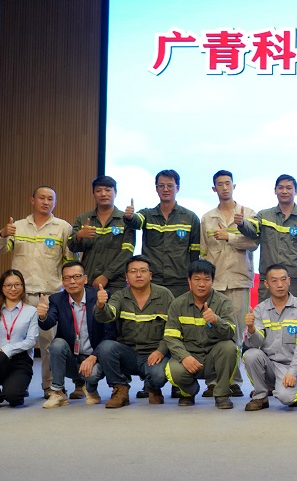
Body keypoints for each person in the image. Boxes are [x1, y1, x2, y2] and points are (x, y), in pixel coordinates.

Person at [0, 185, 75, 396]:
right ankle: (20, 384)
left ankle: (51, 386)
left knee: (49, 345)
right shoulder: (17, 226)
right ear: (32, 200)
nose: (46, 202)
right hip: (21, 297)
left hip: (49, 296)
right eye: (41, 198)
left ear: (55, 203)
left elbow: (70, 261)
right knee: (20, 343)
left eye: (50, 199)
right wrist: (3, 233)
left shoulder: (63, 227)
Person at [200, 169, 257, 397]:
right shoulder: (207, 218)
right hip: (215, 283)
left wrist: (230, 237)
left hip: (239, 280)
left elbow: (254, 243)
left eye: (228, 183)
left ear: (234, 186)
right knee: (212, 332)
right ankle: (213, 381)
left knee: (236, 332)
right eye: (220, 184)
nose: (224, 187)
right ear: (214, 188)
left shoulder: (248, 213)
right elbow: (204, 252)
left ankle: (234, 381)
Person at [93, 255, 174, 408]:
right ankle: (120, 390)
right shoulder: (119, 296)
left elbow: (173, 328)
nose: (138, 275)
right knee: (105, 348)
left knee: (157, 375)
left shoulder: (164, 295)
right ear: (126, 276)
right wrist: (101, 305)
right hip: (128, 353)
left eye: (143, 271)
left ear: (150, 275)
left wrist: (161, 351)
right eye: (133, 271)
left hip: (153, 353)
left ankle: (153, 388)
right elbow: (107, 316)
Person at [38, 261, 114, 408]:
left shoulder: (99, 297)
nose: (72, 281)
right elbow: (48, 323)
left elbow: (111, 333)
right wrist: (43, 316)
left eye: (76, 277)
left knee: (93, 374)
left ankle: (91, 389)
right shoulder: (57, 299)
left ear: (85, 279)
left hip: (94, 358)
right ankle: (58, 392)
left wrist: (93, 357)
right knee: (57, 344)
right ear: (62, 281)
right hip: (72, 359)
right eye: (67, 278)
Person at [163, 260, 239, 409]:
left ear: (213, 281)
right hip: (189, 356)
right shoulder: (178, 304)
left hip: (213, 357)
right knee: (173, 370)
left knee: (229, 348)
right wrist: (184, 357)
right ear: (189, 281)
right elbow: (171, 337)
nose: (202, 284)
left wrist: (216, 321)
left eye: (206, 279)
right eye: (197, 279)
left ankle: (222, 394)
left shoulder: (224, 302)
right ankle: (188, 392)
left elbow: (230, 332)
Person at [242, 264, 297, 411]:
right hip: (269, 364)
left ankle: (295, 386)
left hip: (289, 366)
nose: (279, 284)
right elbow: (255, 344)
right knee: (250, 354)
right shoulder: (260, 309)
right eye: (274, 280)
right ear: (266, 284)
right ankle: (260, 396)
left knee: (287, 398)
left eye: (283, 279)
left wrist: (293, 372)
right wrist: (251, 328)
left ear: (289, 281)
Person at [123, 169, 201, 299]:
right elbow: (137, 221)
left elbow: (195, 252)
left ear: (178, 188)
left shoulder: (190, 217)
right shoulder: (147, 214)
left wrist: (193, 277)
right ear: (156, 189)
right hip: (152, 280)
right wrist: (130, 217)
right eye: (161, 186)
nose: (165, 189)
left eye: (170, 186)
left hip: (180, 281)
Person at [238, 174, 297, 301]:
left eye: (289, 188)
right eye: (281, 188)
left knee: (296, 313)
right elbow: (252, 229)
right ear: (275, 190)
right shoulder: (264, 215)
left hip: (294, 280)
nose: (284, 191)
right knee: (265, 313)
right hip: (268, 279)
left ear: (296, 191)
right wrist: (242, 223)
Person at [0, 270, 39, 408]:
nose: (13, 289)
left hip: (20, 360)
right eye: (8, 285)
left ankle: (15, 387)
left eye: (17, 285)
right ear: (2, 288)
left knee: (13, 397)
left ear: (23, 287)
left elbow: (31, 341)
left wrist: (4, 349)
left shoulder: (31, 311)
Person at [68, 175, 135, 293]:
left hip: (116, 283)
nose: (103, 194)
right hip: (88, 281)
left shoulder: (125, 220)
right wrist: (79, 236)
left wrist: (106, 276)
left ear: (115, 193)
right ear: (93, 194)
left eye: (108, 190)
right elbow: (72, 246)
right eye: (98, 190)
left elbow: (127, 253)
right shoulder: (83, 219)